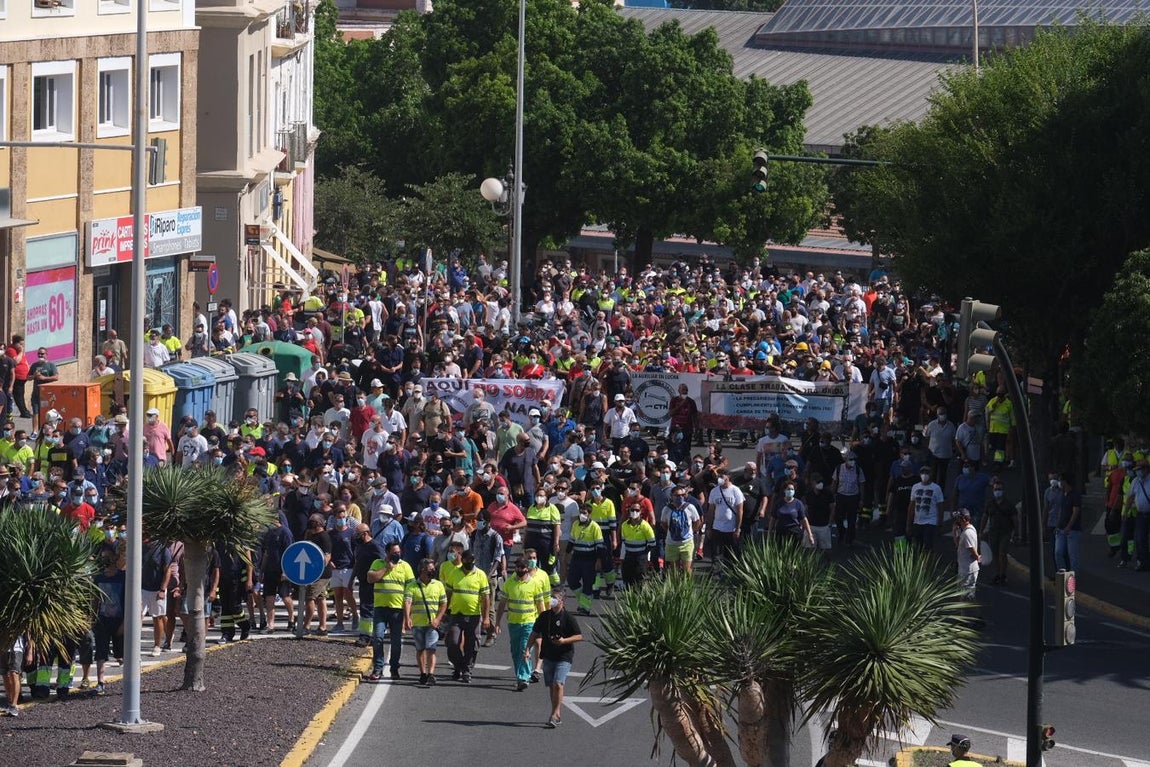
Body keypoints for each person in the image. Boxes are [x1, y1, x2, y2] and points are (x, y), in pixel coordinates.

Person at [525, 588, 583, 729]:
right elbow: (534, 633)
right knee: (551, 686)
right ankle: (555, 714)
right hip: (548, 655)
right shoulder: (545, 616)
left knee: (558, 683)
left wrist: (563, 641)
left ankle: (555, 713)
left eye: (555, 598)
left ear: (562, 601)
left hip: (564, 656)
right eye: (551, 597)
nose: (551, 600)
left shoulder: (569, 618)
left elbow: (579, 636)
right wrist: (527, 649)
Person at [496, 557, 549, 691]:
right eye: (517, 567)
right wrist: (497, 622)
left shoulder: (534, 584)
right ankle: (520, 675)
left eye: (522, 568)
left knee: (524, 649)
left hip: (529, 622)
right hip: (513, 623)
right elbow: (502, 604)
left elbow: (540, 605)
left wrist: (542, 624)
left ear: (527, 568)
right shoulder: (509, 583)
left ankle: (523, 677)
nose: (520, 570)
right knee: (515, 651)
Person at [367, 541, 414, 681]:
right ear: (387, 553)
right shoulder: (377, 563)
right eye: (394, 552)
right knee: (378, 637)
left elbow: (411, 590)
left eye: (399, 552)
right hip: (380, 608)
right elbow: (370, 578)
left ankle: (394, 668)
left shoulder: (405, 566)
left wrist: (407, 615)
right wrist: (386, 569)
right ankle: (378, 668)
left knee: (396, 641)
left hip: (397, 610)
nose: (397, 555)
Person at [445, 549, 492, 684]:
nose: (470, 563)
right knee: (452, 642)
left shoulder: (480, 575)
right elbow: (448, 593)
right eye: (467, 560)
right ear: (462, 560)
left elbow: (485, 597)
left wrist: (486, 617)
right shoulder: (454, 573)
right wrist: (444, 612)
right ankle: (459, 665)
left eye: (472, 561)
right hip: (456, 615)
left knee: (472, 645)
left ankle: (466, 670)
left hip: (474, 616)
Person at [403, 557, 448, 686]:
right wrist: (407, 618)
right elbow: (407, 602)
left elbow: (444, 603)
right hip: (417, 624)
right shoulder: (412, 586)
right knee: (420, 649)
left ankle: (431, 674)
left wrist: (438, 619)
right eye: (430, 569)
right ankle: (423, 673)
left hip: (432, 625)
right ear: (422, 570)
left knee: (431, 649)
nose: (433, 571)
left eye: (433, 569)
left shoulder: (438, 585)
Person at [981, 478, 1016, 585]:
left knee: (1002, 553)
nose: (997, 491)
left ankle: (1003, 574)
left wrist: (1016, 532)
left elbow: (1015, 518)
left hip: (1005, 532)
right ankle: (997, 574)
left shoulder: (1008, 505)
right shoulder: (990, 503)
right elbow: (985, 517)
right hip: (993, 532)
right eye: (996, 489)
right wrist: (981, 531)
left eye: (999, 489)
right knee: (995, 554)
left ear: (1003, 490)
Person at [661, 486, 701, 574]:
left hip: (687, 543)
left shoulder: (690, 507)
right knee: (674, 571)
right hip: (672, 543)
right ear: (671, 496)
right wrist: (672, 532)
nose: (680, 497)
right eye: (677, 495)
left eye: (683, 495)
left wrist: (691, 531)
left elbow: (697, 521)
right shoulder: (666, 509)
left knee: (687, 570)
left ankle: (688, 587)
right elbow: (663, 524)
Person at [953, 508, 981, 602]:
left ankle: (974, 616)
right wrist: (955, 532)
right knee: (963, 596)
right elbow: (958, 545)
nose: (956, 521)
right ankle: (965, 615)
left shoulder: (967, 533)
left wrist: (978, 557)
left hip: (968, 570)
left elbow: (972, 549)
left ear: (964, 519)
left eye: (958, 519)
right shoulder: (966, 530)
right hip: (964, 568)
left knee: (968, 597)